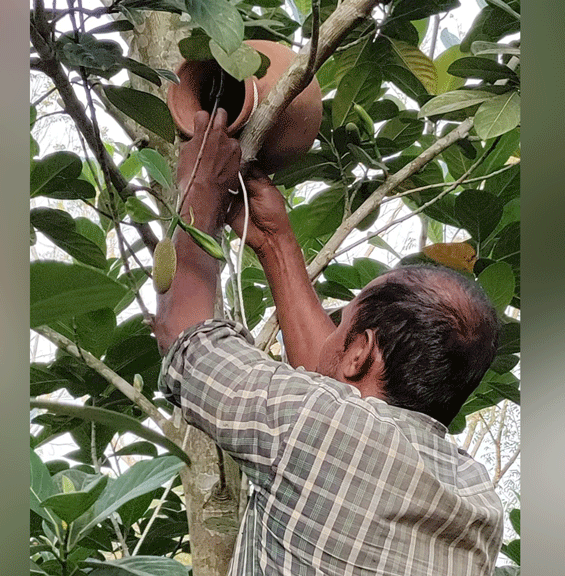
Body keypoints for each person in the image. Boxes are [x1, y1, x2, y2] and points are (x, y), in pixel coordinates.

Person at [154, 109, 504, 575]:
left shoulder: (312, 427)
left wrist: (199, 185)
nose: (331, 329)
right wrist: (276, 244)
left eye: (341, 322)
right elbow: (338, 403)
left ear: (360, 352)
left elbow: (183, 334)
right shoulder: (478, 504)